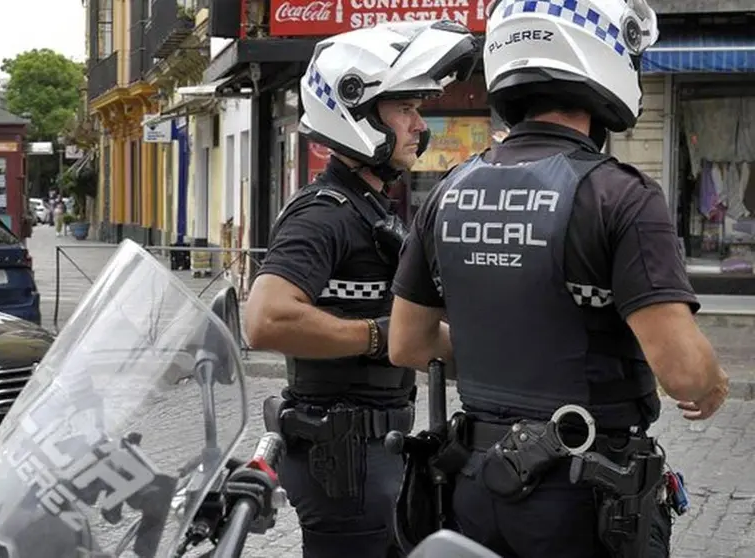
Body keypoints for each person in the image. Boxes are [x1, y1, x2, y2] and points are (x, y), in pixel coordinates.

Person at [387, 1, 729, 557]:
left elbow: (408, 344)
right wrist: (712, 384)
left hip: (472, 488)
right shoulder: (621, 195)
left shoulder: (448, 192)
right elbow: (686, 372)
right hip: (581, 497)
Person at [243, 21, 481, 558]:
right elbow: (265, 320)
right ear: (357, 109)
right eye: (405, 110)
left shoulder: (369, 207)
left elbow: (413, 330)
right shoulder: (321, 215)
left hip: (375, 452)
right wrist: (379, 337)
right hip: (343, 460)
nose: (421, 125)